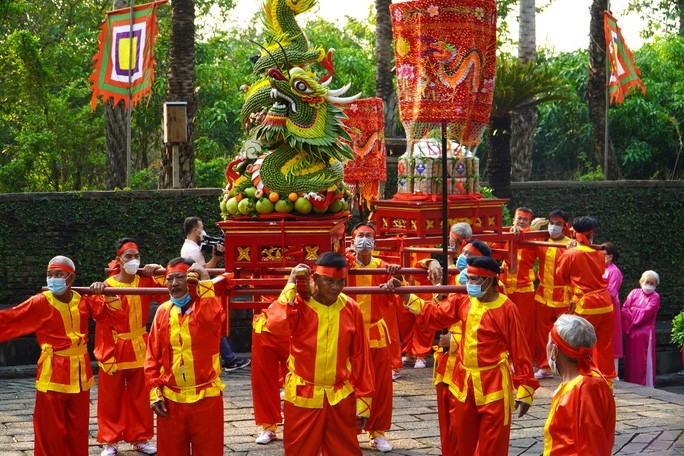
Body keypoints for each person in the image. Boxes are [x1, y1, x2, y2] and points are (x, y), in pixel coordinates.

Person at [388, 255, 539, 455]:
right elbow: (435, 315)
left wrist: (525, 388)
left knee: (491, 446)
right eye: (468, 279)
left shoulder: (507, 308)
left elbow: (520, 350)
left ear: (489, 280)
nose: (469, 284)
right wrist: (405, 295)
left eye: (474, 280)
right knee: (462, 441)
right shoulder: (464, 301)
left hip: (493, 382)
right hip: (464, 382)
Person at [0, 256, 123, 456]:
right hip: (53, 374)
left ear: (71, 278)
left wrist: (106, 295)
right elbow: (10, 319)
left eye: (58, 274)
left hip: (81, 376)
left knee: (78, 430)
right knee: (49, 432)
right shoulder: (39, 302)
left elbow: (115, 319)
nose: (53, 279)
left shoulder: (83, 300)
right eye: (49, 275)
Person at [264, 252, 374, 456]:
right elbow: (275, 324)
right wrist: (290, 284)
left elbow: (361, 356)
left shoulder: (351, 308)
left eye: (341, 282)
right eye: (329, 281)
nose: (335, 287)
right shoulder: (298, 306)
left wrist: (365, 400)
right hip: (303, 394)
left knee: (346, 451)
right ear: (315, 279)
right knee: (299, 451)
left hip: (340, 395)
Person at [144, 259, 227, 455]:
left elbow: (211, 319)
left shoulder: (206, 306)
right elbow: (152, 356)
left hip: (206, 397)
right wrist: (154, 392)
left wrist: (205, 278)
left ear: (192, 280)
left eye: (180, 277)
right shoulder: (163, 312)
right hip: (171, 398)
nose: (174, 284)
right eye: (169, 279)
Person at [96, 239, 165, 456]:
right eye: (129, 256)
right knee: (110, 397)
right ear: (119, 260)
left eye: (137, 256)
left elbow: (166, 294)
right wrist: (99, 293)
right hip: (114, 347)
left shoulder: (145, 280)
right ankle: (110, 440)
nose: (134, 260)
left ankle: (141, 437)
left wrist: (160, 273)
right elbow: (98, 315)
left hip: (140, 343)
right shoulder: (106, 285)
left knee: (142, 396)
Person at [345, 223, 402, 452]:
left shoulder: (385, 266)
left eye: (369, 236)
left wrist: (395, 282)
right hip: (349, 334)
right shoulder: (345, 264)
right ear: (352, 240)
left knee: (381, 386)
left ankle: (377, 432)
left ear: (375, 242)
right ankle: (347, 431)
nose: (365, 240)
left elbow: (400, 287)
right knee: (347, 384)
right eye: (361, 236)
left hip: (377, 334)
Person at [180, 216, 249, 371]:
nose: (203, 230)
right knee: (213, 324)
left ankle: (228, 357)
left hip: (198, 290)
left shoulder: (191, 248)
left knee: (212, 324)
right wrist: (216, 257)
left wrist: (215, 257)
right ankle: (229, 358)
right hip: (199, 292)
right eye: (201, 227)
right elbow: (205, 270)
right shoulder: (192, 250)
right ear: (195, 230)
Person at [543, 314, 616, 455]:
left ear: (554, 351)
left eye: (549, 342)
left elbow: (591, 447)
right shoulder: (589, 380)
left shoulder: (583, 390)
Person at [556, 216, 616, 382]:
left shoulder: (570, 254)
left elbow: (560, 277)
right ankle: (607, 383)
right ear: (591, 234)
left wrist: (568, 250)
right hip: (605, 303)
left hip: (586, 304)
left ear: (574, 233)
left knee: (578, 345)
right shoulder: (599, 253)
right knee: (604, 347)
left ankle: (581, 380)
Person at [501, 207, 546, 365]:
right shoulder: (506, 234)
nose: (521, 221)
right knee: (505, 324)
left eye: (524, 219)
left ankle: (523, 361)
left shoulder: (534, 236)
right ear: (513, 219)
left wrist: (529, 231)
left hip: (524, 288)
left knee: (525, 326)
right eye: (518, 218)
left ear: (529, 222)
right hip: (505, 286)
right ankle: (507, 358)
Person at [533, 209, 571, 379]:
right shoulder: (541, 241)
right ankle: (544, 365)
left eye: (558, 224)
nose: (554, 227)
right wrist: (533, 227)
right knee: (542, 334)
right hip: (542, 294)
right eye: (552, 223)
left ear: (565, 226)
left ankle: (568, 367)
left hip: (563, 296)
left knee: (565, 333)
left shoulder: (570, 245)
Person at [622, 270, 661, 387]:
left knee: (644, 361)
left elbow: (647, 313)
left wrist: (634, 310)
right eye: (647, 282)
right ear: (641, 281)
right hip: (632, 334)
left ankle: (646, 385)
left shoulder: (655, 297)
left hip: (645, 335)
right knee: (632, 362)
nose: (649, 285)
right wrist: (636, 312)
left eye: (652, 283)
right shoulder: (634, 293)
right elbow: (624, 309)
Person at [602, 242, 624, 377]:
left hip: (610, 307)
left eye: (602, 254)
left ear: (609, 256)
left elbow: (611, 293)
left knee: (612, 338)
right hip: (600, 306)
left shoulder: (614, 271)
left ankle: (614, 373)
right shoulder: (598, 268)